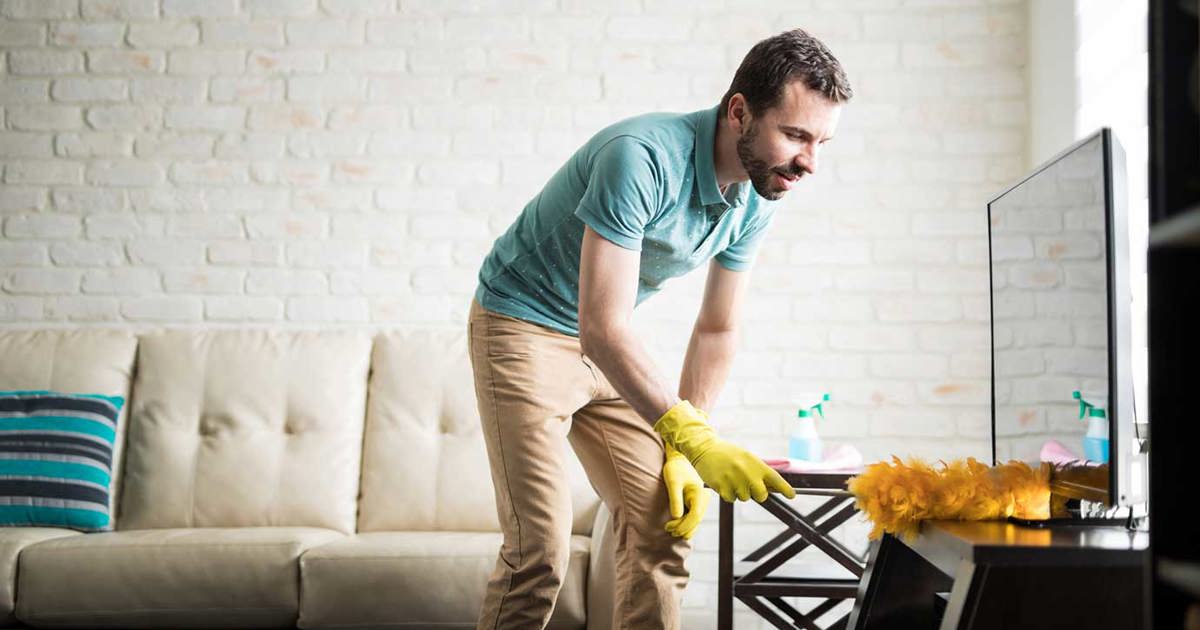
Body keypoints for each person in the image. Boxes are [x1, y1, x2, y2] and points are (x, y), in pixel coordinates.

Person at [467, 28, 852, 630]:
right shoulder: (640, 156)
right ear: (740, 111)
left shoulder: (757, 193)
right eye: (797, 135)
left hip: (603, 340)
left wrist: (680, 444)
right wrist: (697, 441)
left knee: (662, 523)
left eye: (822, 141)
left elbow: (718, 329)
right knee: (538, 551)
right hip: (522, 325)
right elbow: (603, 327)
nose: (809, 162)